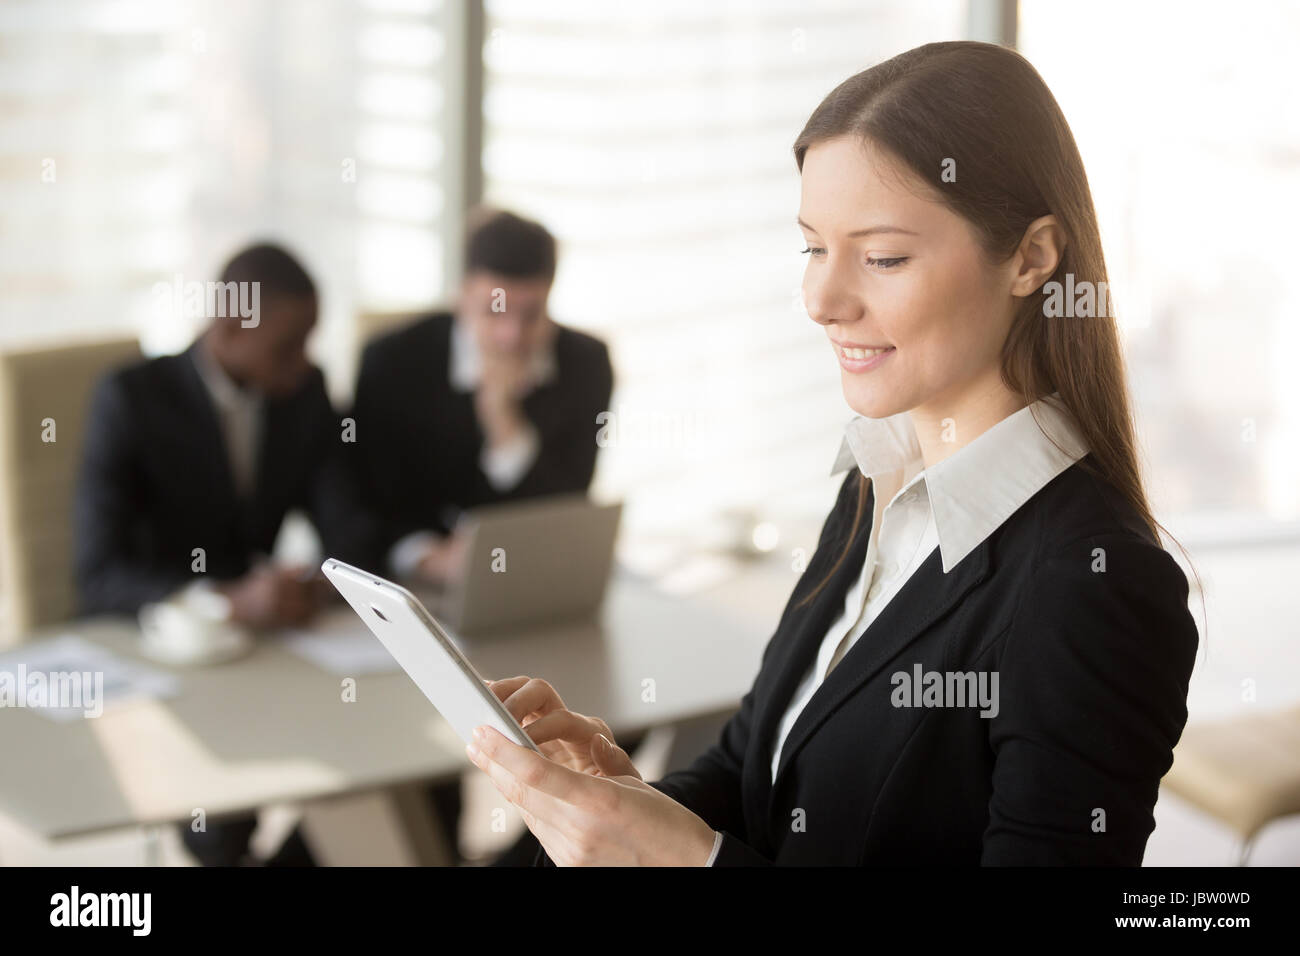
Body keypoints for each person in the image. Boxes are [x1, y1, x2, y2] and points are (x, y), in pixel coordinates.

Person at [459, 41, 1200, 865]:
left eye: (882, 256)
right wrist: (622, 800)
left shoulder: (1092, 586)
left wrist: (691, 860)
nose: (820, 300)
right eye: (813, 247)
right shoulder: (876, 477)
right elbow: (754, 770)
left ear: (1031, 258)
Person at [75, 242, 378, 865]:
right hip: (169, 661)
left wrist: (307, 584)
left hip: (281, 657)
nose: (302, 362)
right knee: (222, 822)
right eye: (287, 345)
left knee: (382, 772)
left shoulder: (305, 393)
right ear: (231, 325)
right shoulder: (131, 398)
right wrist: (223, 600)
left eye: (310, 342)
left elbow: (350, 534)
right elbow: (97, 575)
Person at [348, 208, 614, 863]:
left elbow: (561, 509)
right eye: (493, 311)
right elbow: (366, 502)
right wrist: (427, 557)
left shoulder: (584, 364)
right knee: (420, 767)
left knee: (596, 735)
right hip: (421, 604)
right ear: (460, 294)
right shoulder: (392, 363)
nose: (511, 332)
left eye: (531, 312)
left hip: (537, 615)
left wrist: (504, 422)